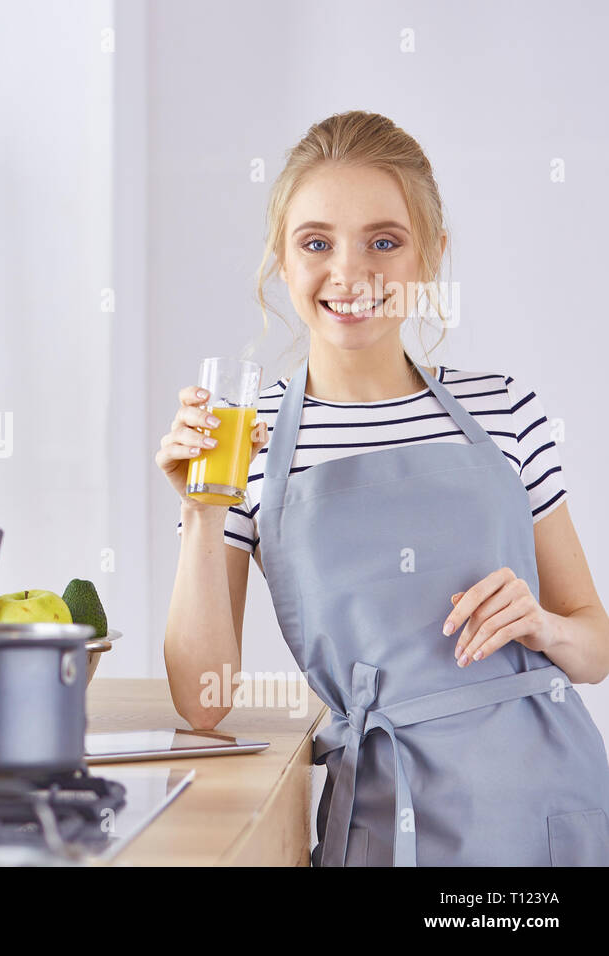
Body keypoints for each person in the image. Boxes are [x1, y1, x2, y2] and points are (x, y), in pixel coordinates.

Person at [156, 110, 609, 866]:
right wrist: (202, 514)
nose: (350, 273)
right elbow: (204, 703)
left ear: (430, 255)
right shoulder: (247, 437)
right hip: (387, 812)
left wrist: (543, 626)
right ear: (282, 258)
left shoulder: (504, 408)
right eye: (316, 243)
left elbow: (594, 648)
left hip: (552, 805)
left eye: (385, 242)